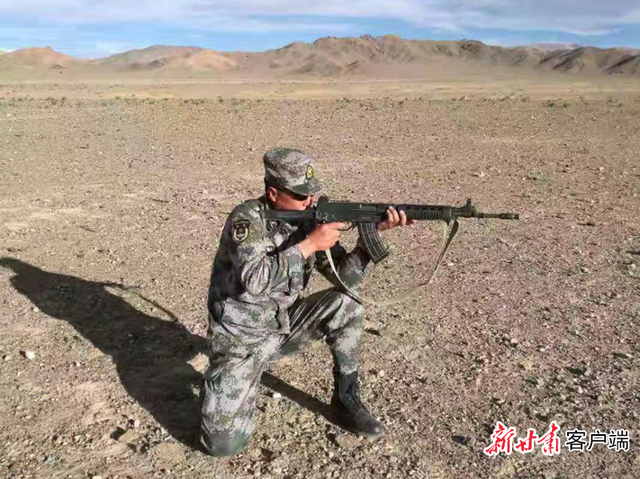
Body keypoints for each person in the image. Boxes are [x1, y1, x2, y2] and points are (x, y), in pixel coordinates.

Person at [200, 147, 415, 457]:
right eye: (302, 196)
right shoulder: (247, 220)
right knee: (223, 446)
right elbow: (255, 280)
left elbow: (345, 278)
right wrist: (309, 244)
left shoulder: (310, 220)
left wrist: (371, 240)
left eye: (313, 194)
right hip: (242, 342)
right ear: (273, 194)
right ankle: (227, 385)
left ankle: (345, 400)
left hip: (283, 327)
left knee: (346, 303)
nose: (310, 201)